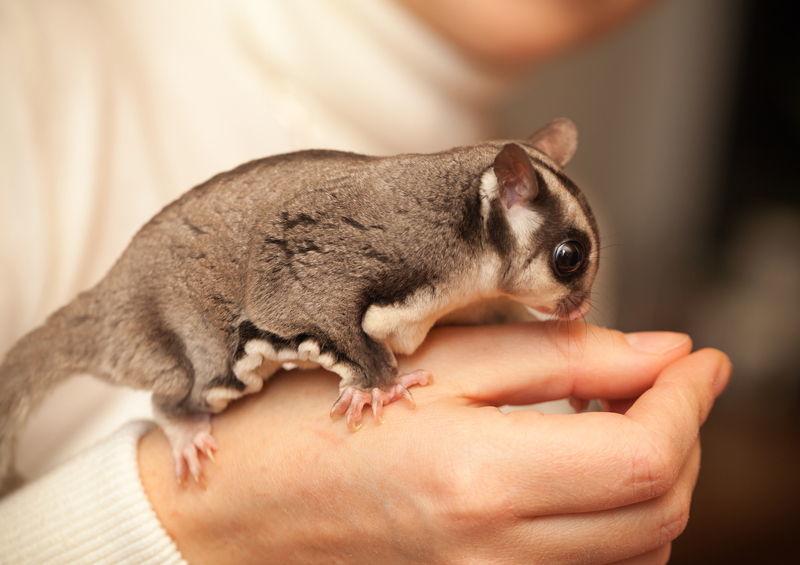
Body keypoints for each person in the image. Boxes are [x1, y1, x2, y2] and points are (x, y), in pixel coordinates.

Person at [0, 1, 730, 563]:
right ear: (506, 192)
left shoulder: (560, 224)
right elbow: (313, 297)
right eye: (568, 270)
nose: (576, 296)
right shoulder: (33, 60)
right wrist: (188, 520)